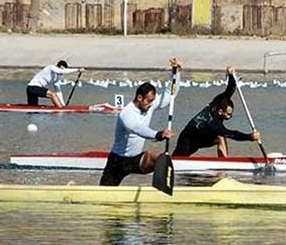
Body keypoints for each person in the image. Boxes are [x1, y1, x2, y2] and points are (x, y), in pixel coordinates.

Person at [100, 58, 182, 186]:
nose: (151, 104)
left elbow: (169, 95)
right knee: (103, 194)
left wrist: (176, 73)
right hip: (118, 161)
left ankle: (161, 190)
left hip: (137, 159)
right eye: (149, 101)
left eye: (152, 101)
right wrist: (159, 134)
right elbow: (138, 129)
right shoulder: (126, 114)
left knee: (161, 160)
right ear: (139, 98)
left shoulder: (149, 104)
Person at [172, 66, 260, 157]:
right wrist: (250, 137)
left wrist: (230, 75)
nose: (231, 116)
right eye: (229, 114)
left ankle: (224, 163)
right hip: (188, 138)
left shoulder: (218, 101)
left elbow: (230, 89)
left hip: (202, 138)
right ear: (221, 112)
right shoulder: (214, 124)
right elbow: (232, 134)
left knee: (220, 137)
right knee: (176, 159)